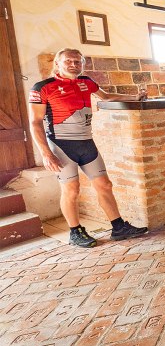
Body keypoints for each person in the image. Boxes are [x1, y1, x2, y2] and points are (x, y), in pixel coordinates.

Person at [28, 48, 149, 248]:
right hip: (61, 146)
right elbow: (35, 122)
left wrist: (135, 97)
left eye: (78, 61)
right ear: (57, 63)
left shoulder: (86, 82)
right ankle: (75, 232)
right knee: (71, 190)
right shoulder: (42, 87)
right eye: (69, 61)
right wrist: (46, 153)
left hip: (87, 143)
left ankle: (119, 228)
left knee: (105, 185)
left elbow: (106, 96)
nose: (74, 65)